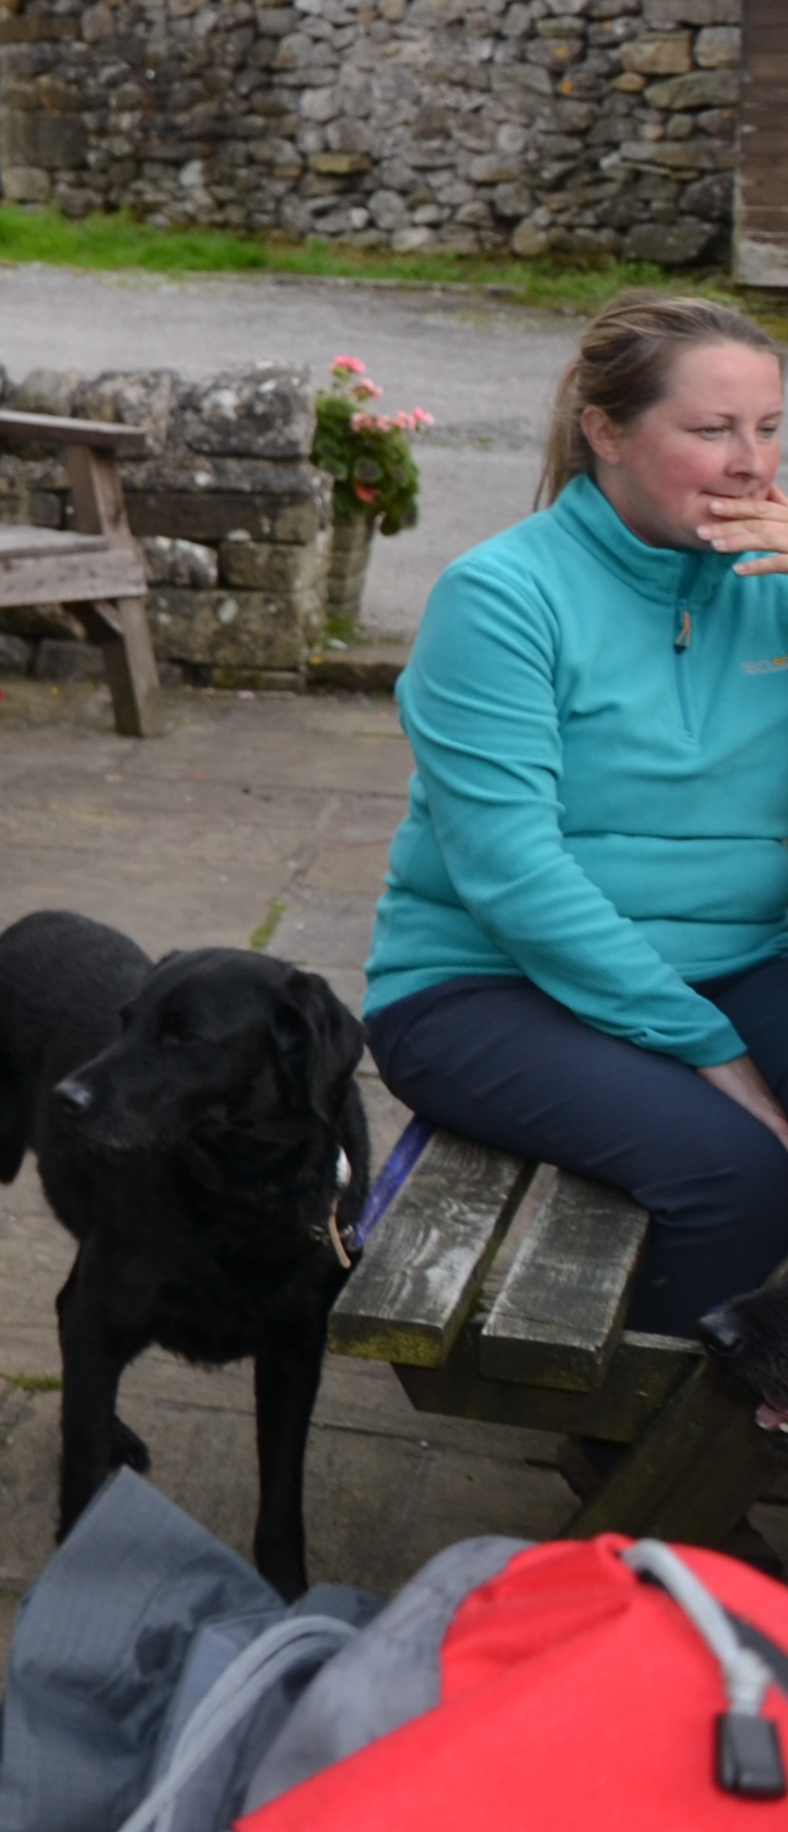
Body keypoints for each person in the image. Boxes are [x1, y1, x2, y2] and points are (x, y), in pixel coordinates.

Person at [365, 292, 788, 1331]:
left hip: (739, 959)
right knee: (736, 1173)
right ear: (605, 431)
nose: (753, 464)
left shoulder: (779, 582)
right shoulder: (502, 598)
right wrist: (713, 1055)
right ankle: (639, 1461)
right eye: (711, 430)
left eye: (771, 428)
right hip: (485, 987)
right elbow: (514, 875)